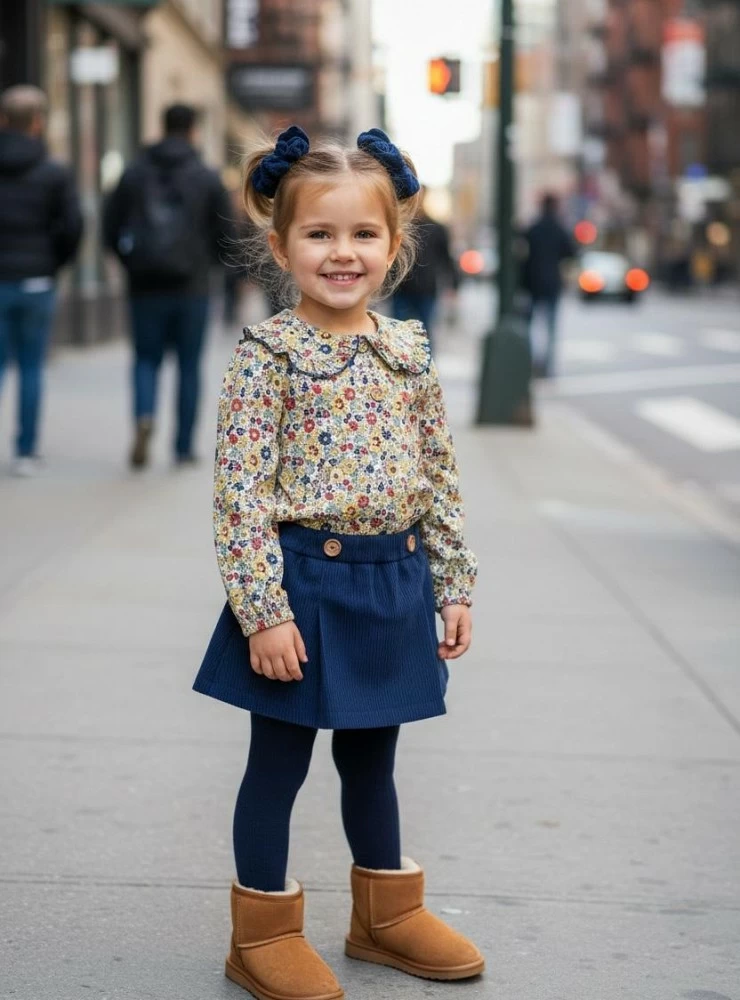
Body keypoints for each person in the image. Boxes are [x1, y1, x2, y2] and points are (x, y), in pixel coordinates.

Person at [192, 126, 484, 1000]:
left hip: (394, 583)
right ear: (281, 246)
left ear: (395, 245)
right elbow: (240, 497)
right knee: (277, 763)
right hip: (303, 586)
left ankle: (384, 916)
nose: (343, 252)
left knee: (373, 760)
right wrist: (264, 612)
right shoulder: (269, 357)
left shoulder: (409, 351)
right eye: (320, 234)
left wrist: (453, 584)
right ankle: (262, 933)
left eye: (363, 233)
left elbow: (439, 477)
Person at [103, 103, 234, 468]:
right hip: (192, 287)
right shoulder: (207, 176)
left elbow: (109, 226)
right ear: (193, 130)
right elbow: (226, 234)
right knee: (189, 365)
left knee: (145, 360)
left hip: (144, 285)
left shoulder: (134, 172)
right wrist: (210, 266)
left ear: (162, 127)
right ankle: (183, 446)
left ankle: (145, 416)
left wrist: (130, 263)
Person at [0, 85, 82, 476]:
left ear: (3, 121)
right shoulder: (54, 172)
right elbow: (73, 226)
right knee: (31, 367)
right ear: (38, 123)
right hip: (36, 281)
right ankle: (25, 451)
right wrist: (53, 263)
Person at [391, 187, 458, 351]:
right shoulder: (401, 226)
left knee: (426, 335)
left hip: (426, 290)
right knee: (396, 335)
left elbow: (446, 259)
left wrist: (454, 285)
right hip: (401, 289)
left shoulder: (437, 228)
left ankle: (425, 365)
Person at [520, 192, 575, 377]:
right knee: (550, 328)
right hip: (552, 284)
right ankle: (547, 367)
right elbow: (570, 252)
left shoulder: (533, 228)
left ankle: (532, 363)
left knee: (531, 327)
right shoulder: (559, 229)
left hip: (533, 283)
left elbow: (522, 254)